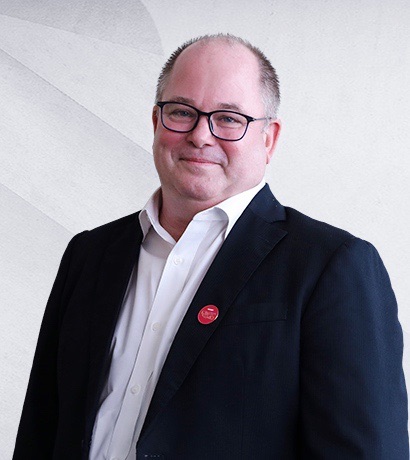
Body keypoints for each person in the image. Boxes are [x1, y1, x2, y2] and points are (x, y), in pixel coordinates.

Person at [13, 34, 408, 460]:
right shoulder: (89, 254)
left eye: (229, 118)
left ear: (269, 138)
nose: (201, 135)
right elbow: (40, 429)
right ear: (156, 122)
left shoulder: (331, 266)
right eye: (182, 112)